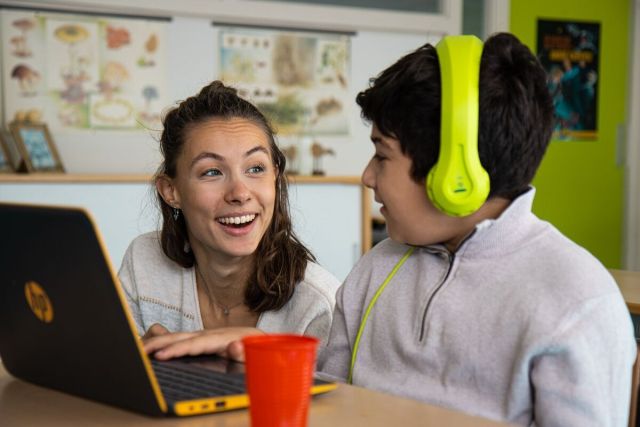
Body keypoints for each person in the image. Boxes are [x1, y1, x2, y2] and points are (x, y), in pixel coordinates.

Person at [317, 33, 636, 426]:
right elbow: (327, 405)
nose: (367, 176)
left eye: (382, 155)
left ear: (456, 174)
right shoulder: (376, 269)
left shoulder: (576, 301)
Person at [118, 80, 340, 359]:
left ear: (275, 177)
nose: (239, 193)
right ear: (171, 191)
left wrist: (264, 349)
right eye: (211, 172)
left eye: (256, 168)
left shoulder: (318, 304)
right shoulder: (144, 262)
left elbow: (340, 401)